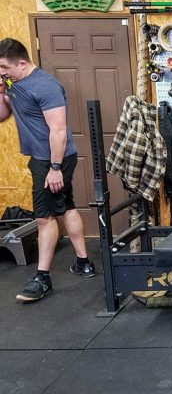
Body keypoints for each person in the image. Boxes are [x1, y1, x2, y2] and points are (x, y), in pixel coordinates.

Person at [0, 38, 95, 303]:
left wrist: (55, 168)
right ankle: (84, 262)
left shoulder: (45, 86)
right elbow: (2, 115)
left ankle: (42, 277)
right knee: (66, 207)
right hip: (45, 158)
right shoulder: (12, 83)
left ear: (21, 63)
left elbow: (59, 130)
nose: (1, 72)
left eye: (4, 67)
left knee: (44, 218)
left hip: (52, 159)